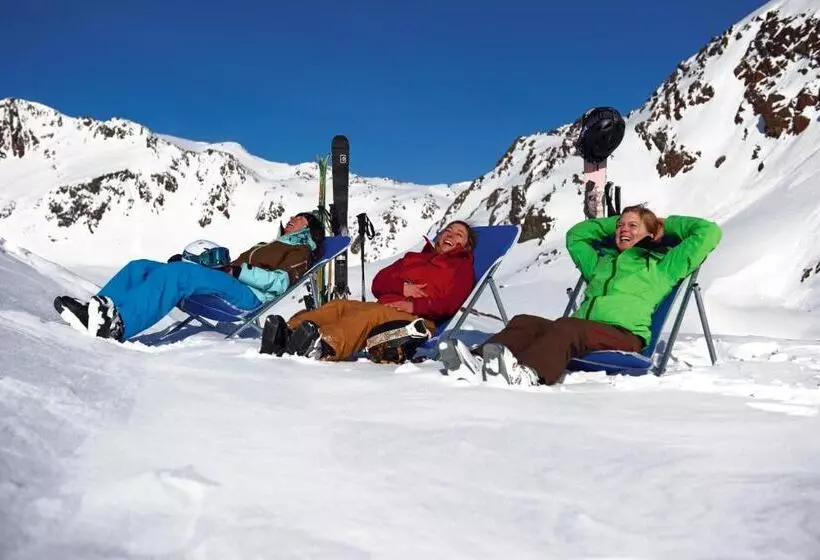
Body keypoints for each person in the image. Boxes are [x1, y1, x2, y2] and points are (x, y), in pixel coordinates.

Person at [439, 205, 722, 386]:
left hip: (624, 336)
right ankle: (475, 361)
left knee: (567, 326)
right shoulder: (601, 263)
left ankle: (531, 374)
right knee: (525, 321)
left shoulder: (663, 265)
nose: (623, 229)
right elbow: (576, 235)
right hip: (580, 332)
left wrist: (663, 225)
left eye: (633, 226)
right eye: (620, 226)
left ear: (650, 233)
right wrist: (616, 221)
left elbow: (708, 232)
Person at [54, 212, 325, 342]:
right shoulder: (268, 245)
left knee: (180, 275)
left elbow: (280, 283)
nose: (290, 219)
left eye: (298, 219)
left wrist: (238, 271)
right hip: (230, 283)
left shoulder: (300, 250)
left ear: (308, 228)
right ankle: (97, 310)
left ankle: (117, 325)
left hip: (249, 297)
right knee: (142, 267)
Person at [259, 220, 477, 361]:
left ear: (466, 246)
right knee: (340, 305)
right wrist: (402, 287)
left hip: (418, 318)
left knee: (370, 314)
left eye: (459, 234)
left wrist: (412, 304)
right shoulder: (414, 258)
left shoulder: (461, 269)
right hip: (387, 306)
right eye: (448, 230)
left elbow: (450, 304)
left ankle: (324, 345)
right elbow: (379, 282)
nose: (450, 234)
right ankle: (288, 332)